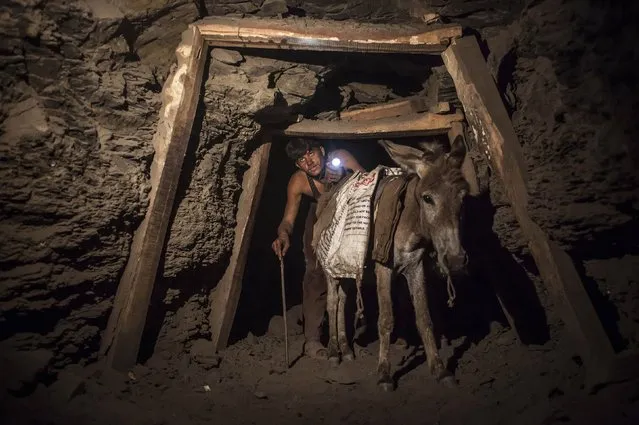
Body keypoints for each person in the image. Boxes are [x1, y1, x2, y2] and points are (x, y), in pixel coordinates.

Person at [271, 138, 366, 359]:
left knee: (352, 274)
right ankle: (312, 340)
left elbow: (368, 183)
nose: (309, 162)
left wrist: (347, 176)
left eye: (311, 153)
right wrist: (283, 235)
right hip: (319, 218)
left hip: (349, 215)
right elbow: (288, 219)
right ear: (297, 165)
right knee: (315, 274)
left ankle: (352, 331)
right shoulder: (299, 181)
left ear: (321, 150)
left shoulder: (341, 157)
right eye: (301, 160)